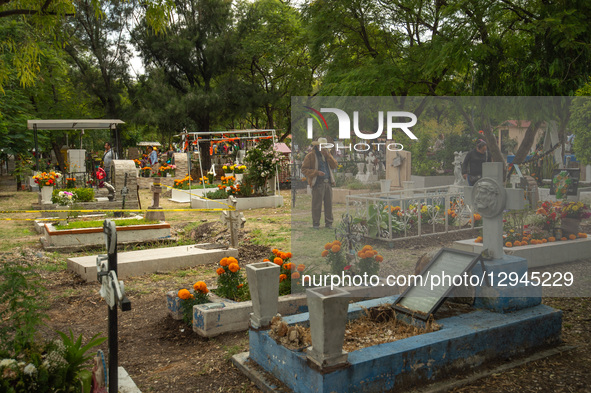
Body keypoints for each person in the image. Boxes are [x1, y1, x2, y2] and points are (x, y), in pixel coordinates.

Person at [301, 137, 338, 229]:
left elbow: (334, 166)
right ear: (317, 146)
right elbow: (304, 169)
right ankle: (316, 223)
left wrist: (328, 156)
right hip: (318, 183)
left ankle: (329, 223)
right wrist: (316, 173)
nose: (323, 148)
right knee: (316, 205)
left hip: (328, 183)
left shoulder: (327, 155)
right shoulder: (310, 156)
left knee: (328, 204)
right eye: (322, 146)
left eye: (324, 146)